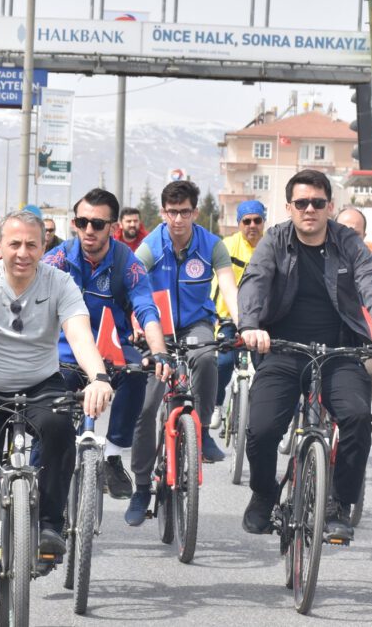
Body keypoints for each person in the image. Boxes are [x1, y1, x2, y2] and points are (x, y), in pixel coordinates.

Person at [0, 209, 114, 591]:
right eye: (14, 244)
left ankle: (49, 525)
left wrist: (98, 378)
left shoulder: (60, 283)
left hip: (40, 385)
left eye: (32, 244)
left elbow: (79, 336)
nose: (23, 252)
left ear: (44, 248)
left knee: (61, 430)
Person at [238, 169, 372, 543]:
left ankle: (339, 504)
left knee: (358, 417)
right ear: (289, 207)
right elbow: (255, 281)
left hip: (340, 351)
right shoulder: (275, 241)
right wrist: (250, 326)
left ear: (330, 206)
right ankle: (264, 492)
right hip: (281, 348)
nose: (309, 209)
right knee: (261, 430)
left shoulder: (348, 243)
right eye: (301, 203)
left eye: (317, 203)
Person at [43, 188, 171, 504]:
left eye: (98, 224)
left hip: (113, 349)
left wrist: (159, 352)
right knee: (47, 425)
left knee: (137, 371)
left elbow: (146, 308)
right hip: (65, 351)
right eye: (82, 222)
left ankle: (113, 456)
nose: (89, 230)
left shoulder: (127, 263)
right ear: (74, 223)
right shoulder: (57, 259)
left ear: (112, 228)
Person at [128, 181, 239, 526]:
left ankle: (202, 430)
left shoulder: (212, 246)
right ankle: (142, 486)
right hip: (155, 328)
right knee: (146, 409)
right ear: (163, 213)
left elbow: (228, 288)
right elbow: (131, 286)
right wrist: (135, 324)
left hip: (195, 326)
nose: (178, 219)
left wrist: (245, 326)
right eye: (172, 212)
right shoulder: (150, 247)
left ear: (195, 212)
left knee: (207, 358)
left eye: (185, 212)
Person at [210, 199, 265, 429]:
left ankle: (263, 409)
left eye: (257, 220)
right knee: (222, 363)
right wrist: (219, 316)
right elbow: (220, 285)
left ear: (264, 221)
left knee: (267, 366)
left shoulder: (270, 245)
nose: (252, 225)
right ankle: (216, 405)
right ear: (239, 223)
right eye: (247, 221)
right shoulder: (228, 245)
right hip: (227, 317)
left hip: (261, 319)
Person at [336, 206, 372, 395]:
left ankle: (356, 422)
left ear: (364, 236)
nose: (347, 236)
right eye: (342, 229)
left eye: (354, 233)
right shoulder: (319, 256)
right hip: (323, 333)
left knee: (370, 371)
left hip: (362, 336)